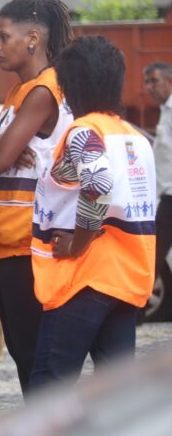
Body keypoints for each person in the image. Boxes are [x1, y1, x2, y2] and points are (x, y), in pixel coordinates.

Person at [29, 35, 156, 387]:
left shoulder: (84, 131)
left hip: (85, 277)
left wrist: (77, 244)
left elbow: (98, 183)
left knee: (50, 387)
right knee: (115, 393)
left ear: (69, 87)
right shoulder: (134, 137)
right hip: (127, 277)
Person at [0, 0, 73, 396]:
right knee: (25, 356)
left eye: (2, 37)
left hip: (26, 244)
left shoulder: (44, 90)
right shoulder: (21, 89)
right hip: (5, 243)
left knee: (35, 360)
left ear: (32, 38)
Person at [142, 62, 172, 320]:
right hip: (164, 198)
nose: (149, 88)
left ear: (169, 81)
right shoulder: (165, 110)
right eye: (147, 82)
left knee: (153, 254)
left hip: (169, 198)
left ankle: (136, 312)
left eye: (154, 81)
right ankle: (136, 311)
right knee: (152, 254)